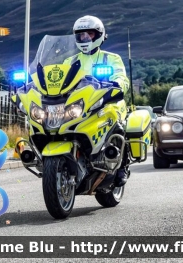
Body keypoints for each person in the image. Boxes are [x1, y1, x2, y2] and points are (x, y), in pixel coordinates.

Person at [67, 15, 130, 187]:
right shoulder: (70, 61)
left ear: (99, 35)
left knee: (115, 120)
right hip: (79, 105)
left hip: (107, 101)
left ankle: (122, 166)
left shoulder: (111, 58)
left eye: (89, 35)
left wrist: (117, 84)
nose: (85, 38)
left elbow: (122, 78)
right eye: (81, 35)